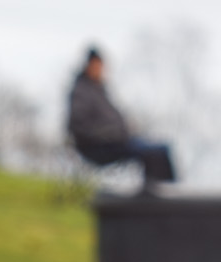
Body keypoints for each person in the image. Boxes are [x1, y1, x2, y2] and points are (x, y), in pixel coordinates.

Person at [66, 48, 174, 187]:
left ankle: (166, 191)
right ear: (88, 66)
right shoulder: (81, 91)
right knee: (151, 152)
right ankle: (156, 194)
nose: (100, 70)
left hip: (118, 141)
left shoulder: (100, 90)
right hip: (99, 146)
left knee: (161, 149)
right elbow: (78, 126)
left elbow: (114, 119)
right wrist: (111, 134)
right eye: (97, 66)